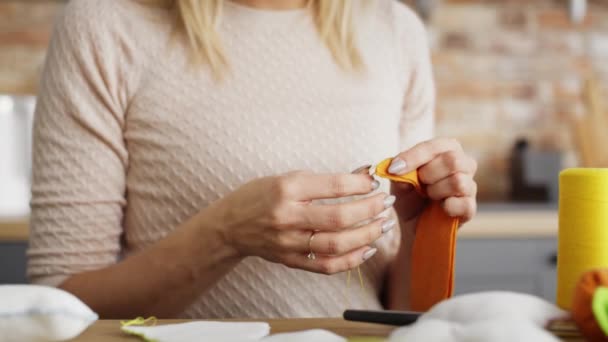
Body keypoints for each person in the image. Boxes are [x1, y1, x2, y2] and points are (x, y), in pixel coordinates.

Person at [27, 0, 478, 319]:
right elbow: (58, 304)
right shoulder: (103, 25)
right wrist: (224, 235)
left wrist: (419, 231)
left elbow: (403, 312)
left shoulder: (396, 30)